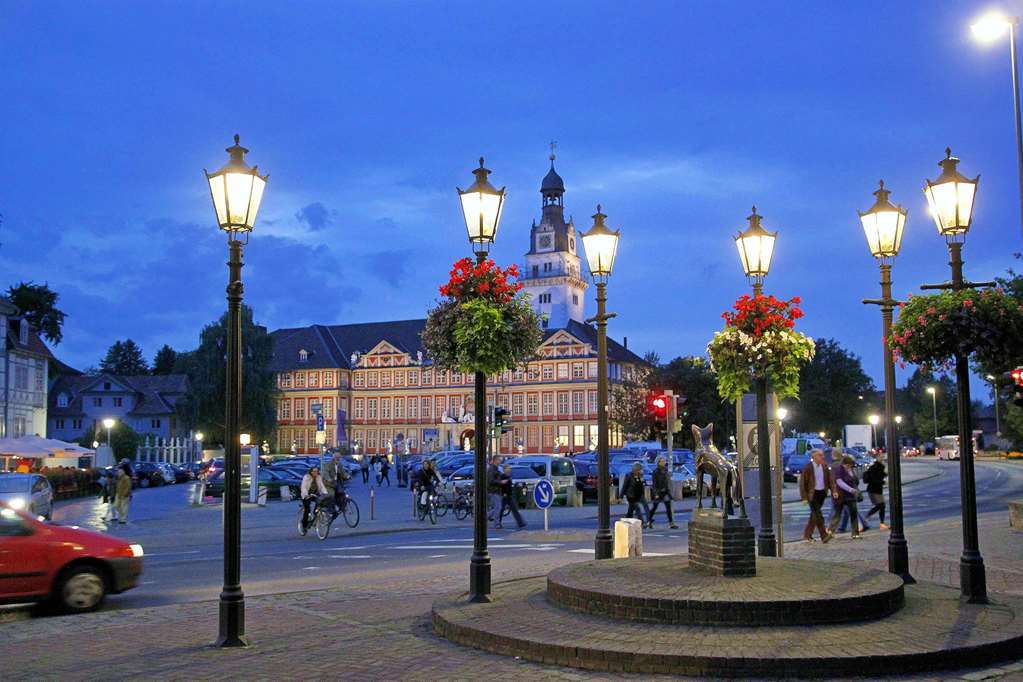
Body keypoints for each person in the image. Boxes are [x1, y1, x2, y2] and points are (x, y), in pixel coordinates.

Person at [799, 449, 834, 543]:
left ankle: (807, 535)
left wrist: (834, 490)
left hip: (821, 493)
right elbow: (803, 483)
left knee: (814, 515)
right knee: (818, 515)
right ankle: (824, 536)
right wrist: (804, 498)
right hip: (812, 494)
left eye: (822, 455)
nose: (822, 457)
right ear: (813, 456)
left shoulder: (824, 466)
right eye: (819, 455)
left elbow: (830, 480)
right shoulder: (808, 467)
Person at [828, 455, 862, 538]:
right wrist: (851, 489)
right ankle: (830, 531)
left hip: (850, 496)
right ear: (845, 464)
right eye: (848, 465)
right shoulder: (839, 469)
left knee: (853, 513)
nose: (849, 467)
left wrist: (854, 487)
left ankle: (855, 533)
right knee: (837, 514)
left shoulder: (850, 470)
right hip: (841, 495)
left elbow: (855, 480)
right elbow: (839, 482)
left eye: (850, 466)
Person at [648, 456, 677, 529]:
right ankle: (649, 521)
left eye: (664, 461)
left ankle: (671, 523)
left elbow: (667, 482)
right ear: (658, 463)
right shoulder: (655, 472)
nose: (664, 462)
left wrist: (669, 492)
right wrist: (656, 493)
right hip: (659, 492)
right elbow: (654, 484)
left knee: (668, 508)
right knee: (654, 507)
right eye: (662, 461)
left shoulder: (665, 471)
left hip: (665, 491)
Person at [863, 452, 889, 530]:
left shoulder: (880, 466)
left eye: (883, 456)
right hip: (873, 489)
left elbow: (881, 475)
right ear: (877, 458)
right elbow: (874, 478)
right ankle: (867, 516)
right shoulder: (875, 467)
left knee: (882, 506)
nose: (882, 458)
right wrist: (882, 481)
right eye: (881, 457)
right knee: (880, 505)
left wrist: (885, 475)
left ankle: (881, 523)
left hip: (877, 489)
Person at [300, 466, 329, 533]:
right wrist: (306, 494)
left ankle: (315, 515)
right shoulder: (306, 477)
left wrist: (325, 493)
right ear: (311, 472)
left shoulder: (318, 477)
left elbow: (321, 486)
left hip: (315, 494)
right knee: (307, 510)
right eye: (314, 471)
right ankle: (304, 526)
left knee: (320, 503)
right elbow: (303, 487)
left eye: (316, 471)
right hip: (307, 494)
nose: (315, 473)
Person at [496, 463, 526, 529]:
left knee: (514, 509)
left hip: (509, 495)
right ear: (504, 470)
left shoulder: (509, 476)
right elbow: (502, 486)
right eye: (507, 469)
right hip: (504, 495)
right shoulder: (503, 476)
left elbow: (509, 486)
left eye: (509, 469)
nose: (509, 470)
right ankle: (498, 523)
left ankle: (520, 523)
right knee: (501, 510)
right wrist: (504, 493)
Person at [622, 462, 651, 528]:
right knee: (636, 509)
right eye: (640, 469)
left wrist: (641, 479)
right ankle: (642, 523)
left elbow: (642, 485)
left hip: (639, 494)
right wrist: (621, 496)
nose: (641, 471)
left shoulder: (640, 476)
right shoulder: (629, 475)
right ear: (636, 469)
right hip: (631, 495)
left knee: (643, 506)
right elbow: (625, 485)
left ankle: (648, 520)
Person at [486, 455, 502, 523]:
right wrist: (500, 482)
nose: (500, 461)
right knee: (498, 507)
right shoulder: (492, 469)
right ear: (495, 460)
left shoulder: (495, 468)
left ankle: (486, 516)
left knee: (497, 507)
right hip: (494, 490)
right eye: (499, 460)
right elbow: (491, 480)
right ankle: (496, 523)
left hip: (496, 490)